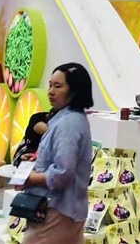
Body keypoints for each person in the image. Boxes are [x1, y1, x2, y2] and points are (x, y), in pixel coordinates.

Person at [22, 63, 94, 244]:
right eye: (50, 85)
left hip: (57, 210)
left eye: (58, 86)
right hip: (64, 210)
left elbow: (63, 172)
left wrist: (31, 177)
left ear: (74, 90)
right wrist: (38, 159)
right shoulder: (70, 117)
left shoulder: (68, 123)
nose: (51, 92)